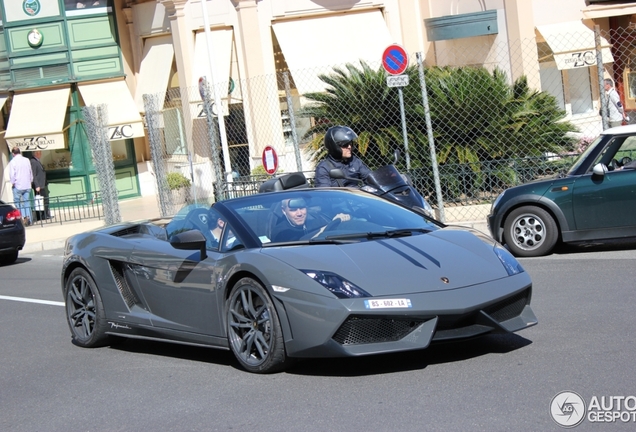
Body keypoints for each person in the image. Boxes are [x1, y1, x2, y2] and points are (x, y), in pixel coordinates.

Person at [271, 198, 350, 242]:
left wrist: (342, 217)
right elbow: (299, 244)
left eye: (302, 208)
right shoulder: (280, 232)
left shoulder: (316, 221)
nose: (299, 213)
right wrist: (324, 229)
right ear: (283, 211)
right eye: (293, 210)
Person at [8, 147, 34, 226]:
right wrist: (30, 181)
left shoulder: (13, 162)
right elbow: (30, 172)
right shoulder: (26, 160)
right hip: (27, 184)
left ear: (13, 153)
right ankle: (29, 218)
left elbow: (12, 175)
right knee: (27, 202)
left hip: (18, 185)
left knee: (18, 203)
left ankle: (22, 218)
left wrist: (12, 183)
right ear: (19, 152)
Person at [30, 150, 51, 221]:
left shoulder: (37, 161)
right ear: (36, 154)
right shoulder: (33, 161)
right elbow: (33, 174)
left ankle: (45, 214)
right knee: (41, 201)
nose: (41, 154)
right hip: (39, 185)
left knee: (44, 200)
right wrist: (36, 185)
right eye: (39, 153)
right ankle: (42, 215)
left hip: (42, 184)